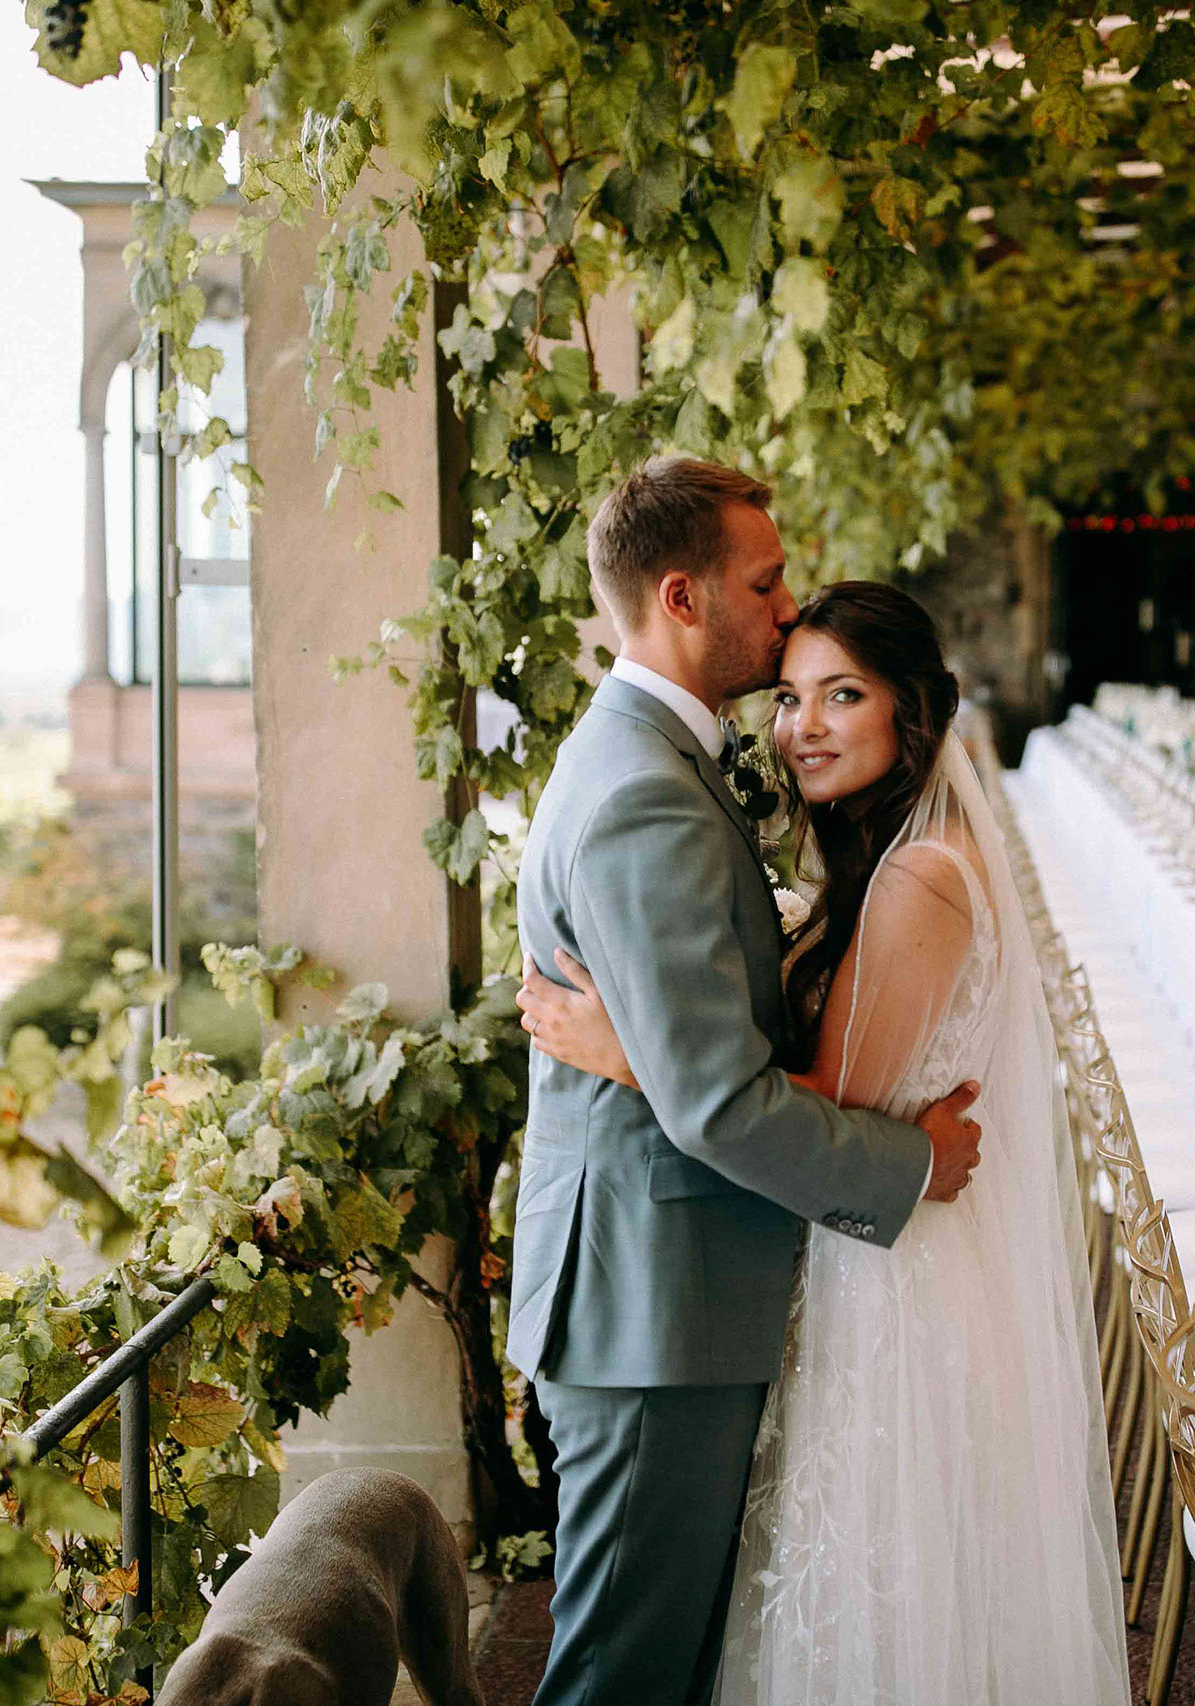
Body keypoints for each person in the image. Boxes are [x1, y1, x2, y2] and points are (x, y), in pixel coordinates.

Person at [521, 577, 1127, 1705]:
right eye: (792, 697)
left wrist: (631, 1051)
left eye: (841, 695)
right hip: (861, 1259)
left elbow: (823, 1099)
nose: (801, 726)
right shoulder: (880, 859)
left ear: (913, 712)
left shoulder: (915, 880)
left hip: (891, 1284)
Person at [507, 458, 987, 1706]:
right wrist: (916, 1162)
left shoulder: (640, 760)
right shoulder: (643, 797)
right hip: (650, 1310)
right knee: (620, 1678)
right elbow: (716, 1100)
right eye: (764, 583)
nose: (784, 611)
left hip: (656, 1293)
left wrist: (638, 1053)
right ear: (681, 594)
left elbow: (690, 1051)